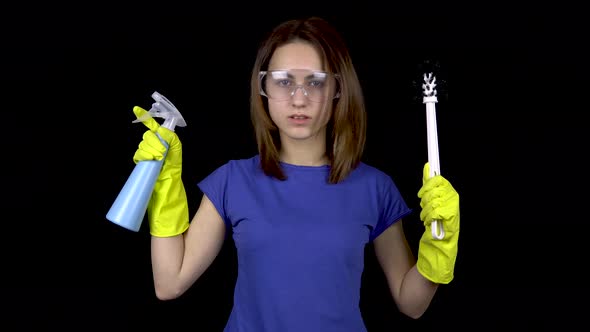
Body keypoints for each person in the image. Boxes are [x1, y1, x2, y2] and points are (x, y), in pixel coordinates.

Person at [131, 16, 460, 332]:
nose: (298, 99)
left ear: (337, 89)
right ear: (264, 89)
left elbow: (411, 304)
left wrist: (437, 249)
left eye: (315, 82)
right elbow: (169, 283)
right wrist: (164, 187)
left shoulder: (375, 188)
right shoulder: (232, 181)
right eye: (284, 81)